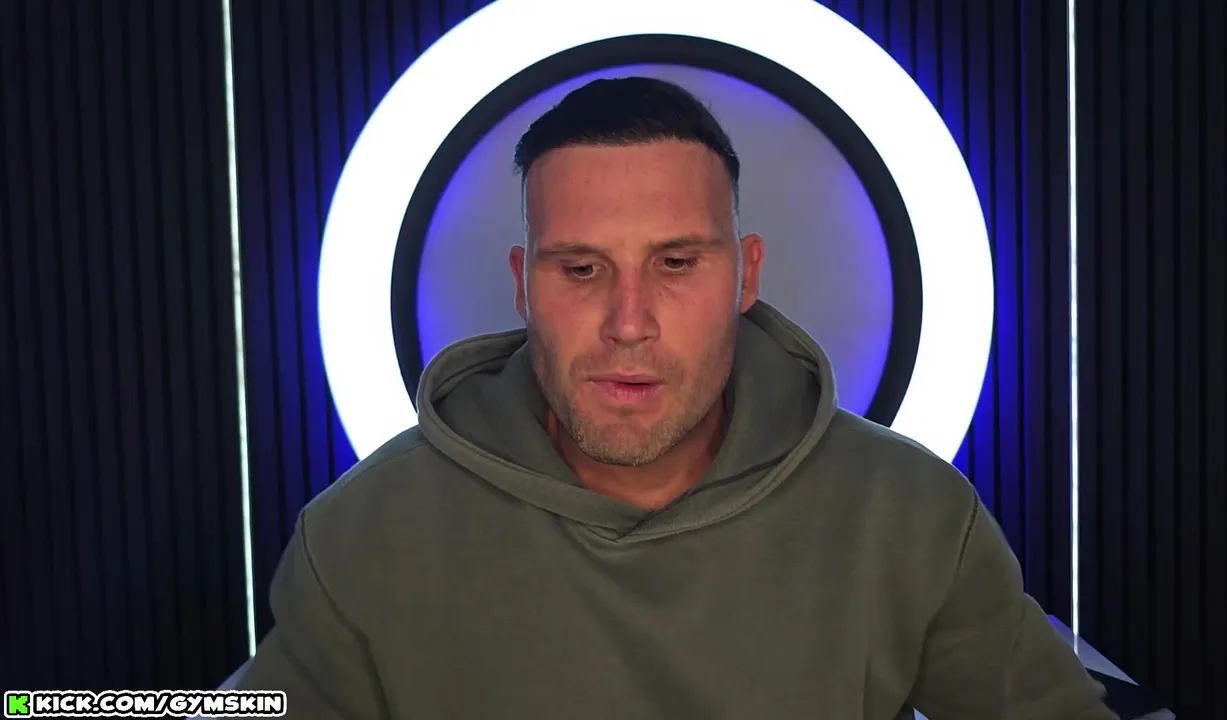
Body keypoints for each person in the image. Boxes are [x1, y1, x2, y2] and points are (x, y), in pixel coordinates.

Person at [232, 77, 1116, 719]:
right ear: (523, 284)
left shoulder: (907, 515)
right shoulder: (365, 535)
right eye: (581, 269)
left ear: (746, 275)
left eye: (677, 263)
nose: (630, 323)